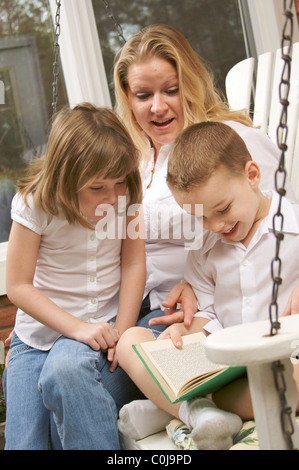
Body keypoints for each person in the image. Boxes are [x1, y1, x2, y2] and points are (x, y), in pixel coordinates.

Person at [116, 121, 299, 450]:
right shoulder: (204, 249)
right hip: (225, 367)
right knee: (131, 341)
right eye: (200, 217)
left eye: (223, 209)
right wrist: (185, 336)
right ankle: (202, 411)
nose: (216, 226)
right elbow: (207, 313)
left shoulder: (295, 227)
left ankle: (190, 409)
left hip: (285, 364)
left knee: (289, 383)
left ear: (252, 175)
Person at [113, 23, 297, 329]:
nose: (158, 107)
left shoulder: (233, 142)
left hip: (181, 310)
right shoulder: (134, 158)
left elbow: (277, 230)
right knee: (47, 359)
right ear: (128, 99)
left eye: (171, 90)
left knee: (74, 368)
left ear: (192, 83)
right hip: (125, 301)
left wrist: (197, 289)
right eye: (144, 95)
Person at [3, 103, 154, 450]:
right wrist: (77, 327)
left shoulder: (126, 196)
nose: (112, 197)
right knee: (24, 443)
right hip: (36, 339)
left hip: (97, 330)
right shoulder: (35, 203)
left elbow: (133, 265)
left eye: (118, 183)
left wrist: (124, 331)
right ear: (65, 178)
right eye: (97, 187)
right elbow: (18, 286)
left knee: (67, 382)